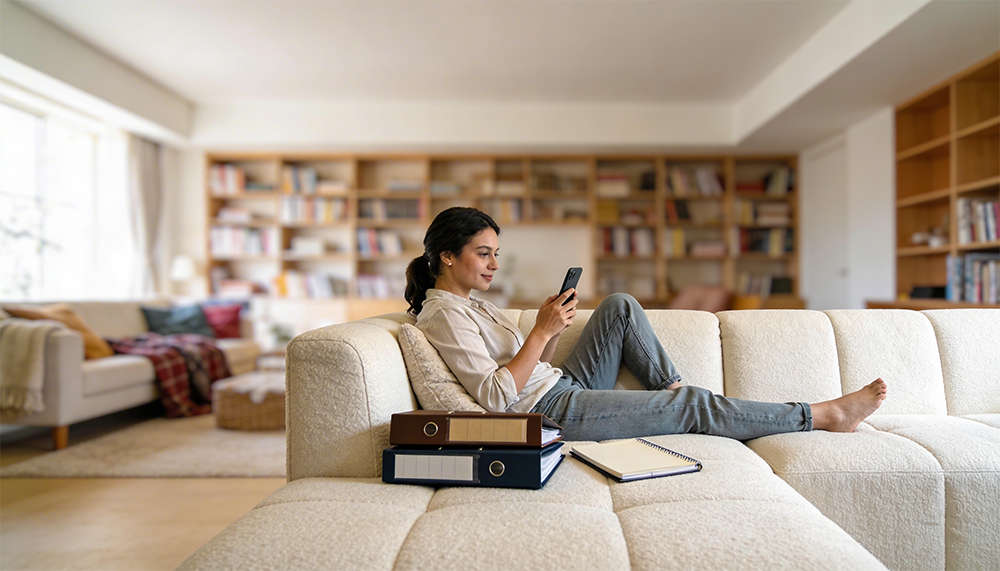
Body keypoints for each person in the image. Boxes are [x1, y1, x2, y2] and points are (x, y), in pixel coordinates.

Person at [404, 206, 887, 442]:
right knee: (694, 404)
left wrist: (550, 333)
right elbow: (493, 396)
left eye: (495, 254)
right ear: (447, 256)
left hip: (557, 385)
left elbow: (527, 365)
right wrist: (540, 332)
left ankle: (674, 394)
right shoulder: (443, 313)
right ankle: (821, 416)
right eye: (482, 254)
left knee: (618, 306)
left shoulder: (472, 303)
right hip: (545, 412)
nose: (492, 264)